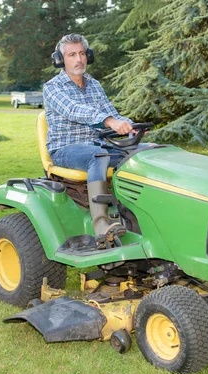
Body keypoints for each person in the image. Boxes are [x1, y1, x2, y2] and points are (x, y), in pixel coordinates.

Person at [43, 33, 133, 246]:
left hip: (97, 144)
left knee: (138, 153)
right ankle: (100, 224)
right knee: (98, 156)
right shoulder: (53, 87)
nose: (79, 59)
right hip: (65, 149)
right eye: (72, 54)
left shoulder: (94, 84)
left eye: (82, 53)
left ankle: (133, 216)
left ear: (88, 56)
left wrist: (129, 125)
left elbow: (112, 112)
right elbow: (75, 110)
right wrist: (109, 121)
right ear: (60, 59)